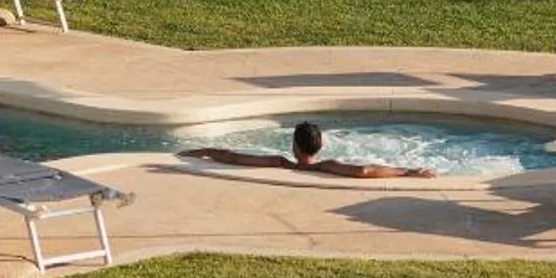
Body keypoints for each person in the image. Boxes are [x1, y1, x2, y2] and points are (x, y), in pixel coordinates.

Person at [182, 117, 436, 179]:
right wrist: (407, 171)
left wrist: (204, 151)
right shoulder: (327, 167)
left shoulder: (278, 162)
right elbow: (363, 170)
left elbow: (233, 158)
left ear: (293, 146)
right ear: (321, 145)